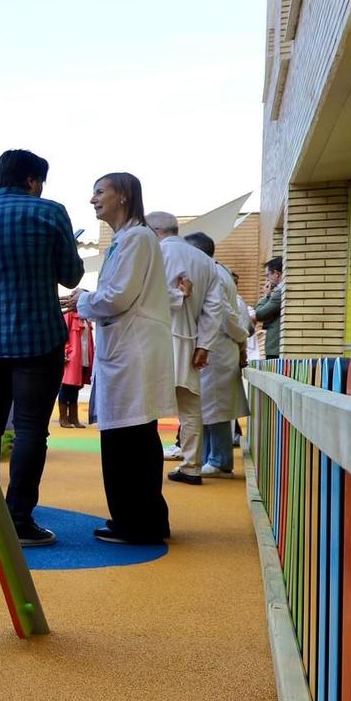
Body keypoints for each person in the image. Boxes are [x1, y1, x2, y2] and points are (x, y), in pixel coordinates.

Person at [0, 149, 85, 547]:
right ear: (32, 180)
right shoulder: (50, 212)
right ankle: (20, 519)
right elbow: (70, 273)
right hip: (38, 339)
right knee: (30, 431)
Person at [69, 173, 172, 544]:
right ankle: (138, 518)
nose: (93, 199)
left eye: (100, 192)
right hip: (127, 349)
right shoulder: (128, 240)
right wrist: (87, 299)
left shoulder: (136, 238)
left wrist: (83, 301)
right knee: (131, 437)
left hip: (132, 351)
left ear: (123, 196)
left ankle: (138, 522)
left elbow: (117, 297)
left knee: (130, 440)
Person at [147, 211, 225, 487]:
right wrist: (204, 344)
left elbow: (145, 294)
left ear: (153, 230)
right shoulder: (206, 262)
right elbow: (214, 309)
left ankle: (144, 465)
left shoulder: (154, 254)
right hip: (189, 339)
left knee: (145, 406)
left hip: (154, 338)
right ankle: (192, 467)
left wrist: (178, 295)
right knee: (191, 407)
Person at [186, 241, 249, 477]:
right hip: (217, 346)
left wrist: (241, 337)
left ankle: (220, 461)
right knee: (209, 407)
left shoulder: (215, 274)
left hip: (219, 347)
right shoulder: (216, 270)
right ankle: (210, 457)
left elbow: (223, 314)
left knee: (217, 408)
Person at [58, 308, 92, 428]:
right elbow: (63, 335)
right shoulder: (70, 315)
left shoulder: (86, 318)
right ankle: (63, 418)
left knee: (75, 387)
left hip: (82, 357)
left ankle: (73, 417)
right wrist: (65, 352)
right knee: (66, 385)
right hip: (71, 357)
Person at [254, 257, 284, 359]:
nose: (267, 280)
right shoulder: (279, 292)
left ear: (276, 274)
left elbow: (259, 314)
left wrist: (265, 296)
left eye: (268, 275)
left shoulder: (279, 294)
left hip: (275, 347)